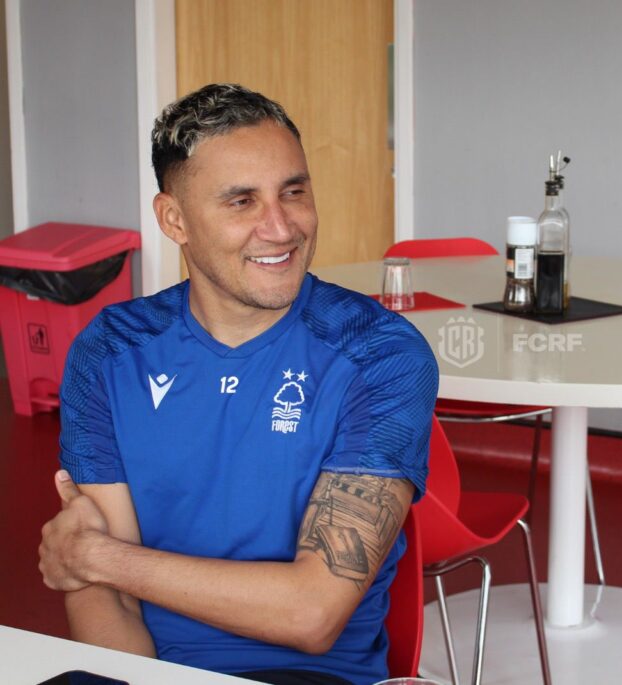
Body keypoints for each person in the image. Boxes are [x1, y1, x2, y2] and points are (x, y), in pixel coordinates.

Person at [37, 83, 439, 685]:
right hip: (140, 671)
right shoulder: (111, 350)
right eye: (241, 201)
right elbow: (104, 601)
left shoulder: (380, 354)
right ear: (174, 219)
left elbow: (311, 614)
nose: (280, 227)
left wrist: (100, 557)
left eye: (293, 192)